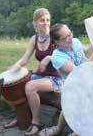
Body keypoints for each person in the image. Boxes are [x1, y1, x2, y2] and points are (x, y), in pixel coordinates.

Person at [39, 23, 93, 136]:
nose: (70, 38)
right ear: (56, 42)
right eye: (65, 38)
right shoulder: (57, 57)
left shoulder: (76, 42)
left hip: (88, 80)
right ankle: (61, 128)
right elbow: (79, 74)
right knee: (72, 105)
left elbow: (84, 55)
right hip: (73, 87)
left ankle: (74, 131)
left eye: (70, 34)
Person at [5, 8, 62, 136]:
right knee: (19, 83)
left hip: (56, 78)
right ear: (35, 23)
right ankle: (22, 116)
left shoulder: (54, 38)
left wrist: (49, 58)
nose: (46, 23)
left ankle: (36, 123)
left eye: (48, 20)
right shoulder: (34, 39)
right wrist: (13, 68)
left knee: (30, 86)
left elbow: (66, 56)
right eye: (42, 20)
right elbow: (24, 60)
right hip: (41, 76)